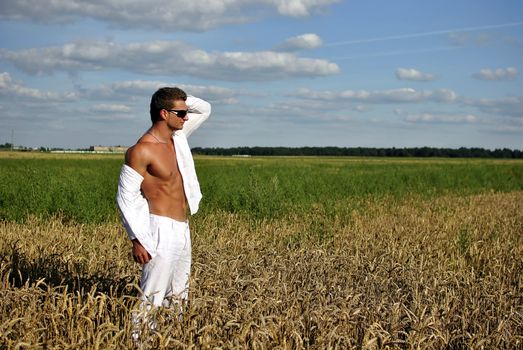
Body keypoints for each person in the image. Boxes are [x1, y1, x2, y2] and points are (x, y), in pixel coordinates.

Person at [116, 87, 211, 320]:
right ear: (163, 114)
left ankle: (170, 338)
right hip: (158, 228)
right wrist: (137, 239)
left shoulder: (177, 138)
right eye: (180, 113)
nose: (186, 117)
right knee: (151, 296)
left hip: (182, 228)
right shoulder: (142, 150)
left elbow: (206, 108)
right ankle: (138, 341)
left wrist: (176, 97)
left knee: (179, 295)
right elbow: (125, 196)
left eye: (185, 112)